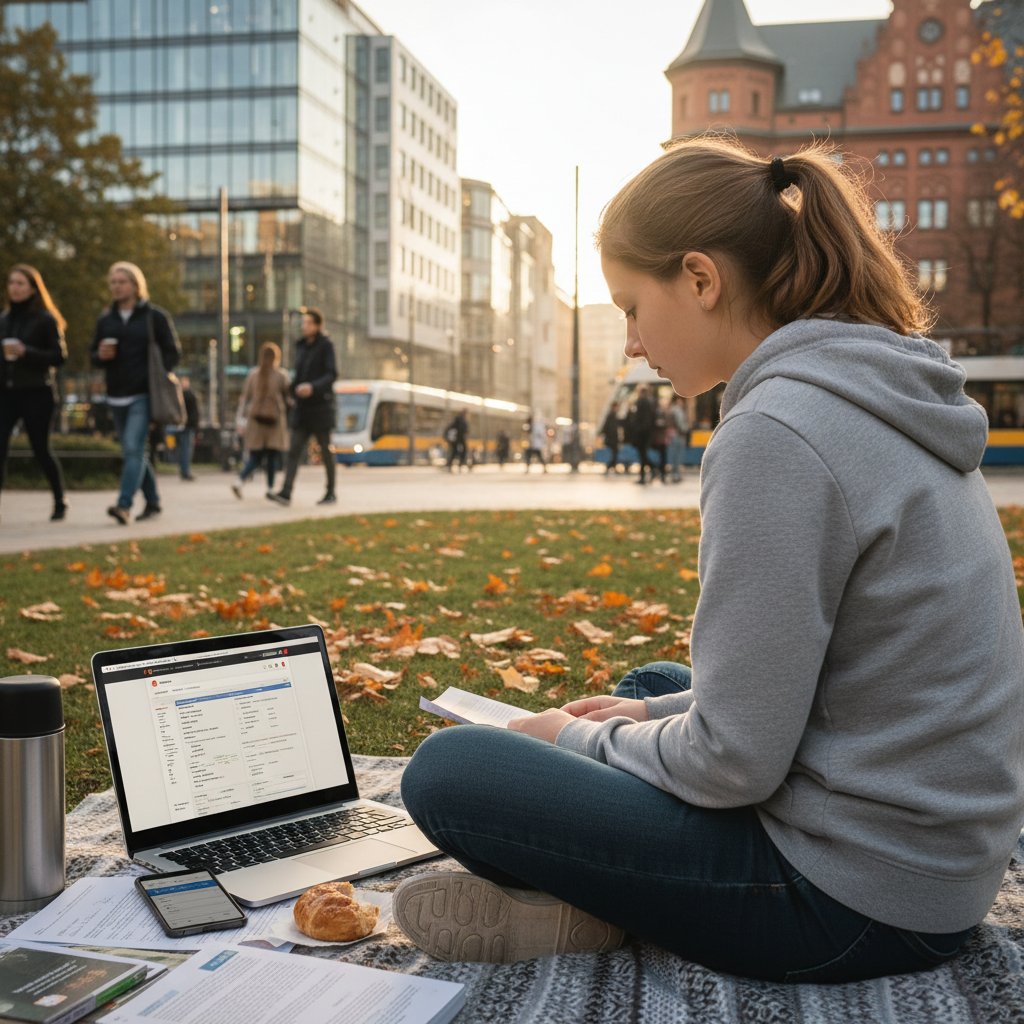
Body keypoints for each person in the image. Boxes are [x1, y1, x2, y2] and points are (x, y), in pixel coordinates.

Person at [393, 138, 1024, 982]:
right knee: (656, 689)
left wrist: (574, 743)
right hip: (935, 864)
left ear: (699, 278)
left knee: (451, 771)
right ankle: (597, 893)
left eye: (630, 308)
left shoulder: (777, 432)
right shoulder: (869, 385)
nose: (630, 345)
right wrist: (632, 723)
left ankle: (598, 902)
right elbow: (828, 677)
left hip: (852, 903)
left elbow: (733, 761)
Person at [91, 261, 180, 526]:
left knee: (132, 448)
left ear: (135, 285)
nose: (117, 286)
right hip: (116, 393)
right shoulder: (106, 320)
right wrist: (101, 356)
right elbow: (93, 355)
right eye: (113, 282)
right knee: (135, 451)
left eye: (122, 281)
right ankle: (152, 501)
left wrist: (155, 374)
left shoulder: (155, 317)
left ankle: (124, 505)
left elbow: (173, 353)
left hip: (143, 394)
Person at [0, 264, 69, 521]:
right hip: (6, 393)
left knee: (40, 449)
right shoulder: (4, 320)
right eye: (11, 282)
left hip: (37, 392)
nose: (14, 288)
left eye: (20, 283)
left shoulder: (45, 319)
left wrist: (26, 352)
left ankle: (60, 499)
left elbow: (59, 356)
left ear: (32, 288)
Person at [267, 308, 337, 506]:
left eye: (307, 323)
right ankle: (286, 492)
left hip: (321, 407)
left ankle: (330, 491)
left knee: (326, 450)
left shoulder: (326, 346)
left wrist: (312, 387)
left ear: (317, 325)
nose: (303, 326)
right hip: (303, 409)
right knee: (294, 450)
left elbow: (331, 374)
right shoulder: (301, 347)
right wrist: (291, 392)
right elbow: (298, 375)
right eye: (303, 323)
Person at [232, 342, 290, 498]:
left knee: (255, 457)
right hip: (275, 421)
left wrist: (241, 421)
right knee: (272, 456)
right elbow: (288, 399)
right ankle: (270, 488)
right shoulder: (281, 375)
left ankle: (240, 480)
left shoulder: (253, 375)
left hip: (255, 421)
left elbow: (244, 399)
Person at [630, 384, 655, 484]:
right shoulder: (649, 402)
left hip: (641, 434)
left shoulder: (640, 402)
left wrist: (637, 431)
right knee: (643, 454)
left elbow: (637, 418)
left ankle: (645, 475)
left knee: (642, 455)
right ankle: (649, 472)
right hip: (646, 433)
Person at [177, 375, 199, 481]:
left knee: (184, 449)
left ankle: (184, 470)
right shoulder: (188, 394)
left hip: (183, 425)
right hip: (187, 426)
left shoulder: (180, 395)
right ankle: (185, 471)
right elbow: (194, 413)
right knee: (186, 450)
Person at [667, 394, 690, 482]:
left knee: (675, 455)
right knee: (677, 455)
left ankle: (675, 474)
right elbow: (681, 424)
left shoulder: (672, 409)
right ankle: (676, 475)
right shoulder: (677, 410)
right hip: (678, 435)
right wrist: (685, 429)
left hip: (674, 435)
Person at [599, 401, 621, 474]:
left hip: (612, 438)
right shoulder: (612, 415)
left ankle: (611, 467)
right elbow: (609, 428)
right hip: (612, 438)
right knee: (614, 453)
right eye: (617, 407)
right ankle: (610, 466)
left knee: (614, 453)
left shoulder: (612, 415)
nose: (618, 408)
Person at [444, 408, 469, 472]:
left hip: (457, 439)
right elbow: (461, 430)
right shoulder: (460, 419)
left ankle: (452, 464)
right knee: (459, 451)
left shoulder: (459, 419)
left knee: (455, 451)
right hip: (458, 438)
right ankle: (458, 463)